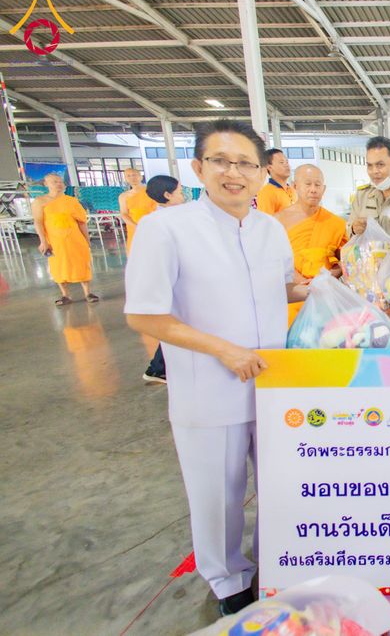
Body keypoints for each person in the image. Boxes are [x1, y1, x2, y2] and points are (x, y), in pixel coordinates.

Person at [124, 119, 308, 617]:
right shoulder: (167, 229)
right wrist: (222, 350)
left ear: (262, 172)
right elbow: (143, 313)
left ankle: (276, 567)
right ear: (198, 167)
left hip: (274, 384)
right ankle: (228, 578)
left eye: (246, 163)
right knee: (218, 493)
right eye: (221, 162)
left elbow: (282, 287)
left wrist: (318, 289)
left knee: (279, 485)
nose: (234, 173)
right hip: (210, 387)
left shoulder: (271, 229)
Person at [275, 164, 348, 326]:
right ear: (295, 186)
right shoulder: (278, 221)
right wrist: (302, 282)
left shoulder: (337, 223)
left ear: (324, 188)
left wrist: (326, 278)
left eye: (318, 184)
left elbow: (344, 261)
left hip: (325, 299)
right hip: (292, 297)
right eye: (308, 184)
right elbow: (274, 260)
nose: (313, 189)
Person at [141, 174, 187, 384]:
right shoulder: (157, 223)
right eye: (179, 191)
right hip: (173, 283)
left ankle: (159, 367)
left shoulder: (178, 216)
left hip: (179, 282)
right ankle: (157, 368)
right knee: (174, 328)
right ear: (167, 195)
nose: (183, 195)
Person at [32, 173, 98, 306]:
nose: (58, 184)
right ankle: (65, 295)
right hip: (54, 241)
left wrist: (87, 239)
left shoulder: (71, 201)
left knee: (81, 264)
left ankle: (87, 293)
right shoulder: (40, 202)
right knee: (58, 266)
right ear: (46, 184)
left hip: (75, 239)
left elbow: (81, 222)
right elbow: (38, 222)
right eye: (54, 182)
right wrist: (43, 241)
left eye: (60, 182)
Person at [118, 167, 156, 254]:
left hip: (152, 226)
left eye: (134, 175)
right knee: (136, 254)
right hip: (134, 227)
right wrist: (136, 226)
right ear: (126, 179)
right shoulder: (123, 196)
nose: (132, 178)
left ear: (141, 177)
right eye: (128, 176)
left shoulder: (151, 192)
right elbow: (124, 214)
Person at [255, 148, 296, 215]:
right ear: (269, 167)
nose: (287, 165)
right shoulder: (266, 193)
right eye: (281, 162)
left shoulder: (292, 190)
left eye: (287, 162)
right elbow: (265, 223)